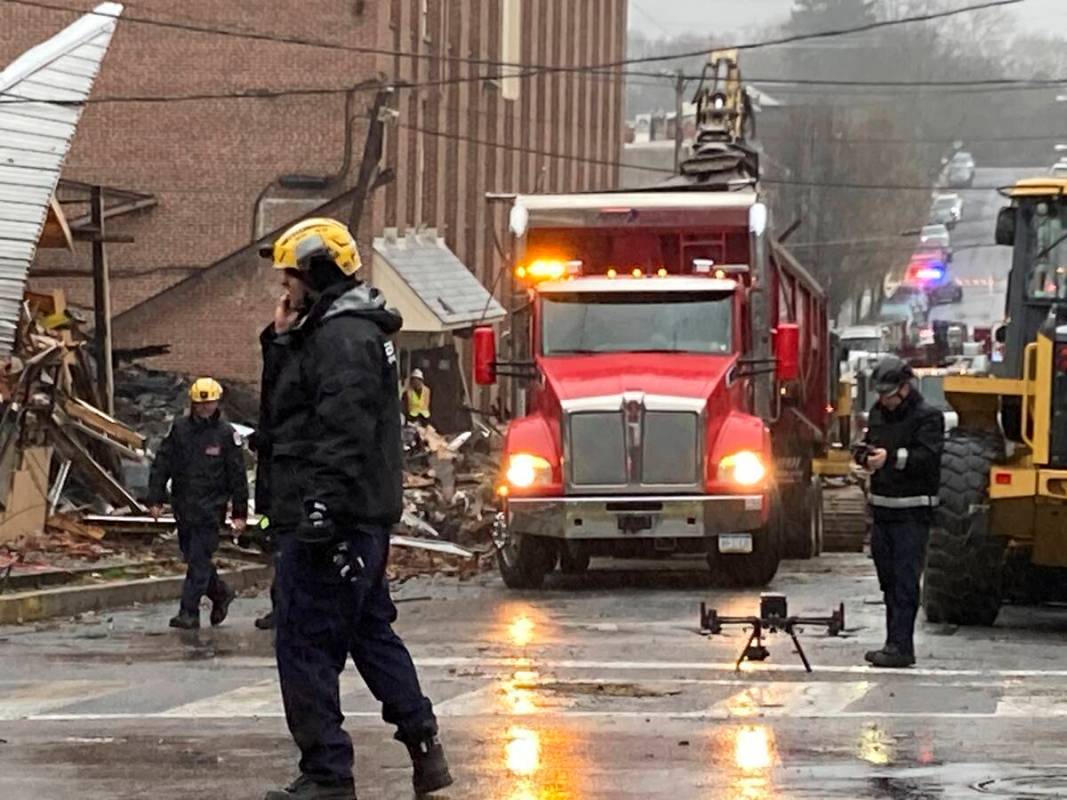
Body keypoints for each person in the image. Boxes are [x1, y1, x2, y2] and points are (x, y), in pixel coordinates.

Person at [259, 217, 451, 800]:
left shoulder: (343, 339)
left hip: (333, 521)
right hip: (354, 518)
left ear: (315, 274)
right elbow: (294, 412)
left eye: (289, 277)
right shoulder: (337, 332)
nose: (283, 289)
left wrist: (319, 507)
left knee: (304, 642)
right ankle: (424, 746)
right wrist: (280, 339)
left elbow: (339, 430)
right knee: (370, 635)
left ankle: (326, 773)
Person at [854, 355, 944, 668]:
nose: (884, 401)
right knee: (888, 582)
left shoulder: (928, 418)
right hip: (882, 511)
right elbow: (867, 442)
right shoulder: (879, 414)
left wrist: (890, 458)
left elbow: (927, 457)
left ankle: (901, 646)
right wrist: (864, 455)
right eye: (880, 395)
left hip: (912, 512)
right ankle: (892, 642)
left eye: (889, 395)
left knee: (906, 582)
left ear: (905, 389)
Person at [148, 378, 249, 630]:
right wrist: (156, 498)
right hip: (184, 505)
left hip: (211, 509)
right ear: (193, 404)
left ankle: (188, 612)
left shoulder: (226, 435)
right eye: (200, 404)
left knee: (199, 559)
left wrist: (239, 513)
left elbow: (237, 476)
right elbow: (163, 463)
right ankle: (220, 593)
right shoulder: (180, 430)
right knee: (192, 556)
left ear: (217, 403)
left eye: (209, 404)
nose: (205, 408)